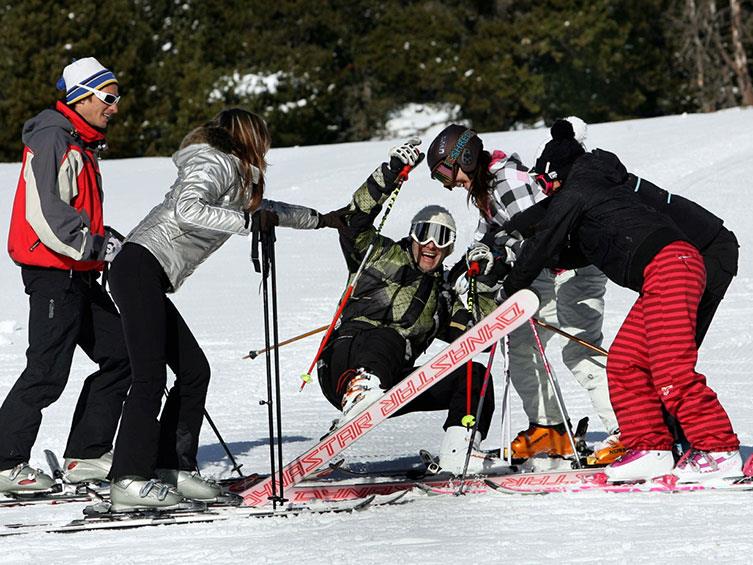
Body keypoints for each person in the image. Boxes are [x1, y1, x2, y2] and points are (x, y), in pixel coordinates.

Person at [106, 109, 340, 512]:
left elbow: (268, 210)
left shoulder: (235, 172)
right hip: (138, 265)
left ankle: (171, 466)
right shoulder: (212, 160)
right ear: (248, 136)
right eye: (262, 137)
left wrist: (323, 220)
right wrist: (248, 223)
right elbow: (187, 209)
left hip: (148, 273)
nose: (266, 146)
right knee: (149, 375)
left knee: (194, 371)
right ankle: (127, 479)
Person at [499, 120, 741, 483]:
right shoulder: (596, 185)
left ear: (555, 175)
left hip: (673, 266)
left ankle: (719, 450)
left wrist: (510, 288)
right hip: (665, 271)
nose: (545, 191)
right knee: (626, 362)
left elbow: (543, 242)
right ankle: (651, 447)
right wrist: (508, 230)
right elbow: (546, 223)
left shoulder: (576, 190)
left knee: (671, 370)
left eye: (545, 183)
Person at [426, 124, 620, 466]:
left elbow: (541, 235)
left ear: (466, 159)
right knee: (521, 346)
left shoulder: (508, 182)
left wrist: (501, 260)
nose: (449, 182)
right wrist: (464, 268)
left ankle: (632, 429)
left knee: (579, 346)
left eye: (446, 172)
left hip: (572, 265)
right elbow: (491, 236)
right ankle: (550, 429)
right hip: (543, 270)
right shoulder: (487, 189)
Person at [316, 139, 501, 475]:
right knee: (387, 336)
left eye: (443, 238)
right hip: (344, 362)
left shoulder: (441, 297)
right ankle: (360, 393)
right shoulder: (379, 255)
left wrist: (480, 282)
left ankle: (461, 447)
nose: (432, 244)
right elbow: (353, 219)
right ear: (412, 236)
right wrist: (390, 174)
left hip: (392, 383)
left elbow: (477, 335)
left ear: (448, 250)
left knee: (475, 374)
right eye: (425, 234)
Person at [0, 57, 129, 494]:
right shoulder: (53, 136)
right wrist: (95, 245)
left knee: (122, 354)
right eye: (108, 97)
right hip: (52, 271)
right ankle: (4, 463)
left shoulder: (80, 142)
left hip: (78, 272)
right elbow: (45, 214)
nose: (115, 107)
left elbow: (76, 211)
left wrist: (106, 240)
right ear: (82, 96)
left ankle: (87, 455)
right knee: (47, 371)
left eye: (117, 98)